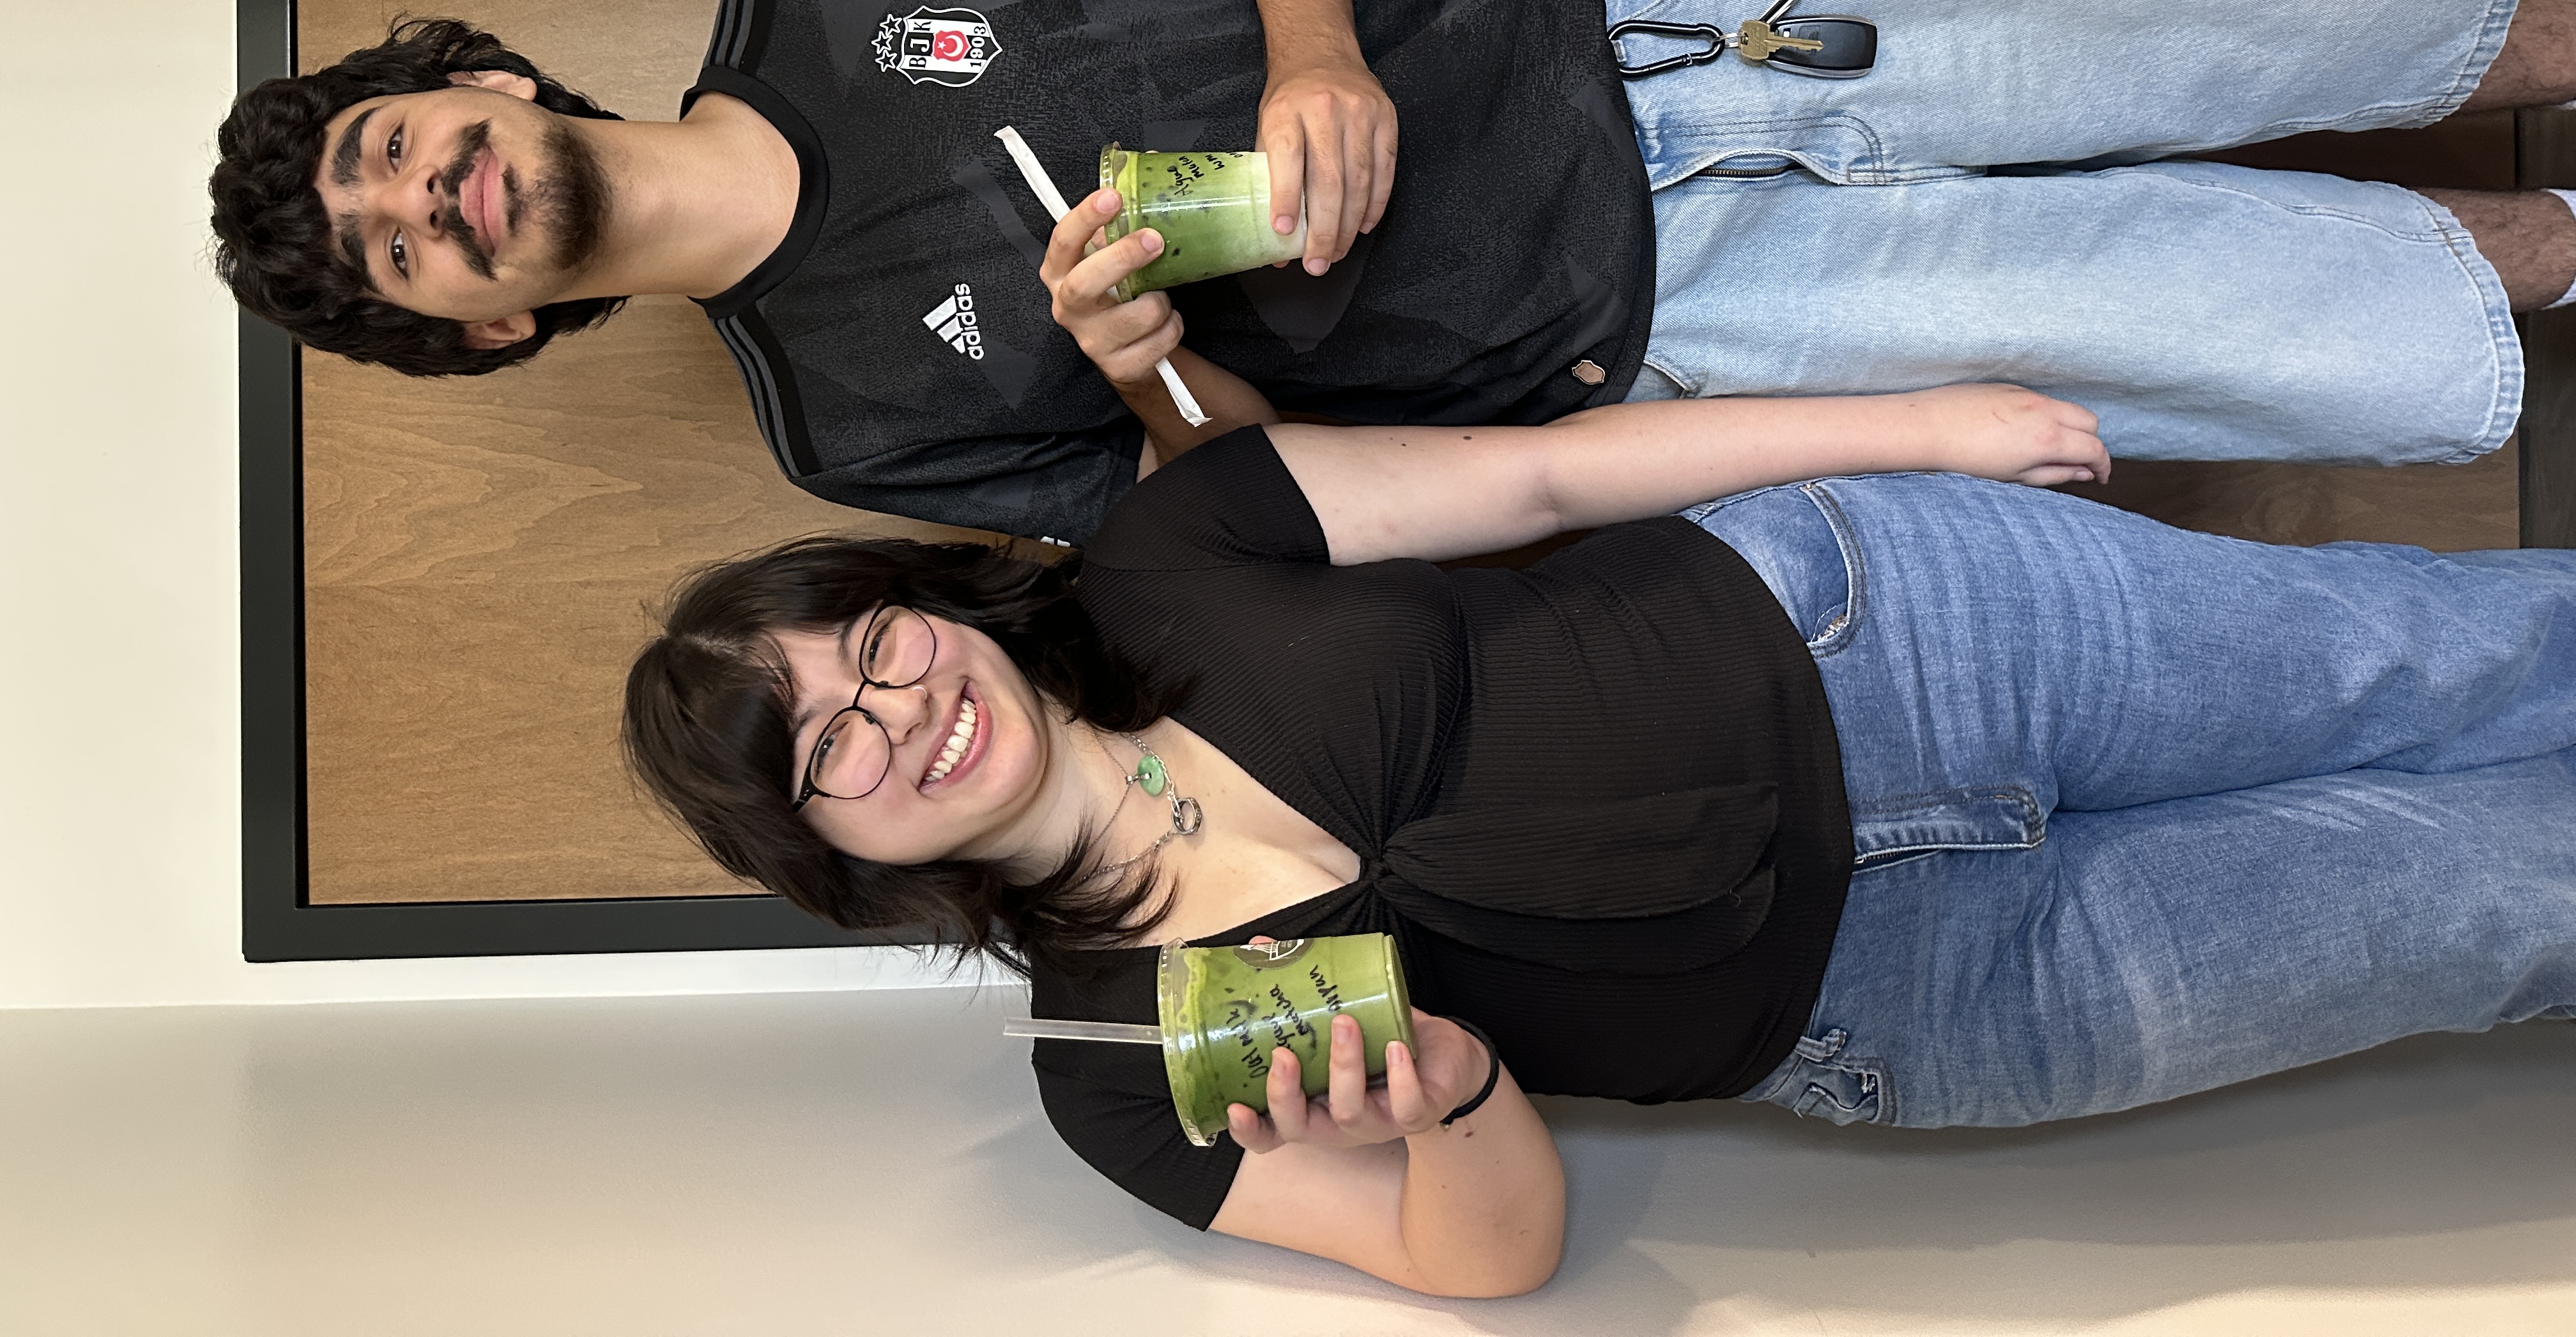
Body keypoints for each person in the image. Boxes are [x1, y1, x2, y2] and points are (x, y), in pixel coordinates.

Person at [620, 362, 2576, 1297]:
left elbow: (1548, 470)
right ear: (830, 858)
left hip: (1906, 636)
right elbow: (1490, 1267)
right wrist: (1450, 1101)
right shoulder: (1115, 1077)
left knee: (2442, 654)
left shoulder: (1173, 548)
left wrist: (1925, 424)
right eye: (826, 753)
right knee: (2494, 908)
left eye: (869, 646)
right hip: (1934, 1000)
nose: (895, 711)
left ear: (925, 600)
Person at [210, 0, 2576, 545]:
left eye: (406, 145)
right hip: (1678, 333)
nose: (431, 196)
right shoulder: (848, 427)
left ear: (486, 85)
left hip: (1650, 11)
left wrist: (1320, 51)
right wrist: (1149, 378)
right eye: (400, 251)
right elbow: (1272, 510)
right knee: (2278, 306)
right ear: (484, 320)